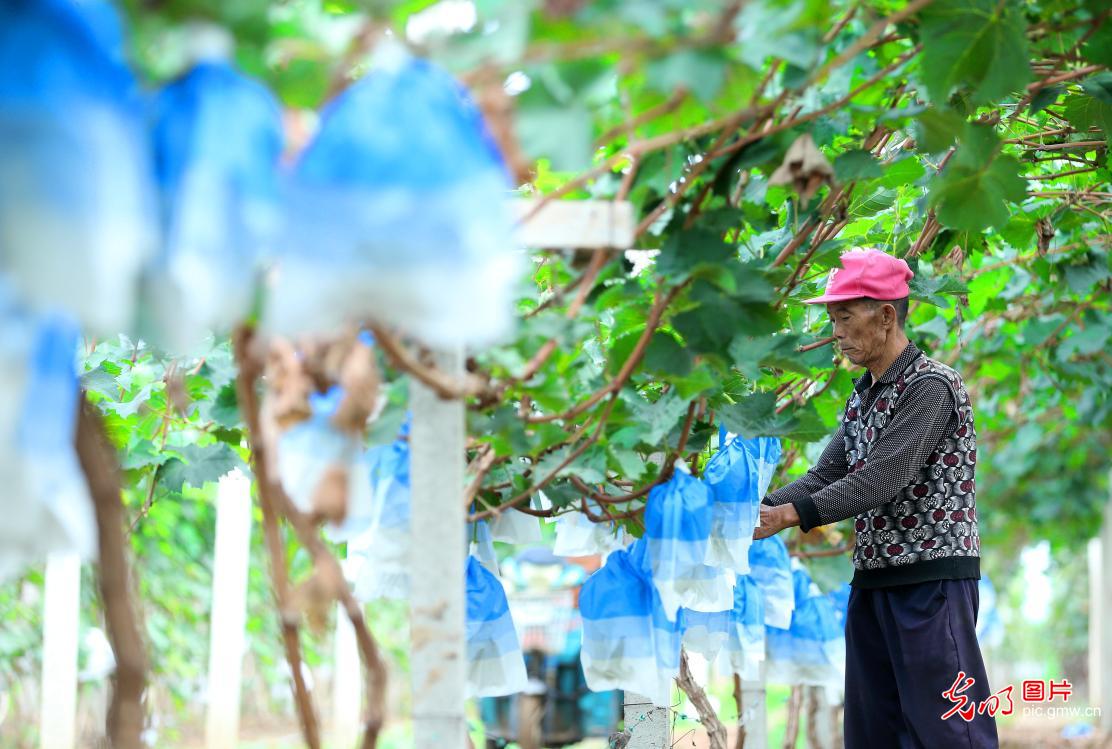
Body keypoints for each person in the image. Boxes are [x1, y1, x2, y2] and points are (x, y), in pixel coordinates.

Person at [753, 248, 998, 748]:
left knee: (949, 732)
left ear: (886, 316)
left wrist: (785, 515)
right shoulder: (864, 394)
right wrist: (751, 512)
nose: (836, 332)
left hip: (931, 586)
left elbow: (881, 478)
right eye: (832, 319)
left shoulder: (932, 386)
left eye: (844, 317)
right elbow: (826, 475)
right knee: (874, 733)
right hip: (873, 585)